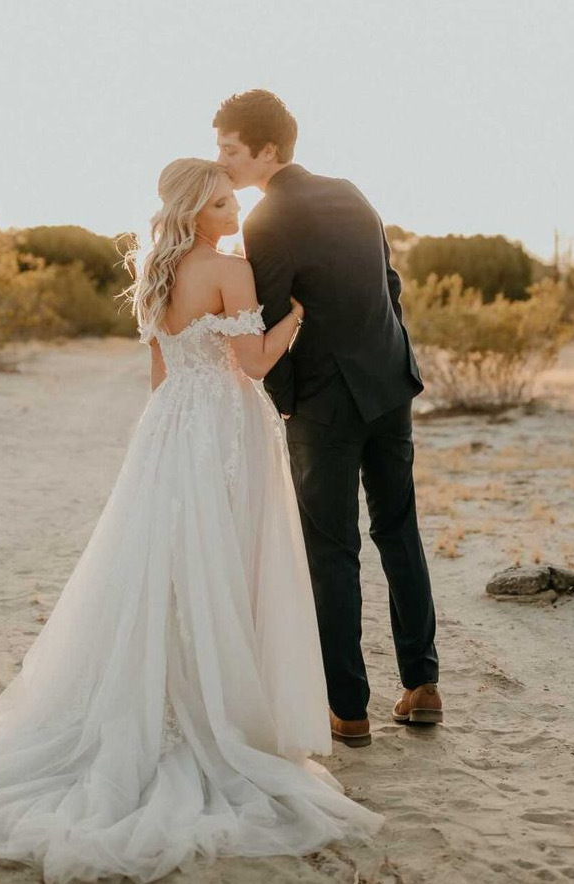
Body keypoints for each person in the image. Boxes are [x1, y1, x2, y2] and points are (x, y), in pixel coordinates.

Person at [0, 157, 383, 884]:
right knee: (219, 559)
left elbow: (161, 372)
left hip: (168, 428)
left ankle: (176, 694)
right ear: (198, 211)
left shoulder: (157, 276)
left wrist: (159, 435)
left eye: (234, 202)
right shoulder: (229, 269)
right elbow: (252, 365)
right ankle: (212, 710)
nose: (235, 214)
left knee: (164, 564)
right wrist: (293, 318)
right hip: (222, 428)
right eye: (224, 204)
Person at [214, 90, 442, 748]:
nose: (222, 162)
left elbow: (267, 314)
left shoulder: (265, 220)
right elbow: (389, 285)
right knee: (398, 530)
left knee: (331, 550)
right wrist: (389, 358)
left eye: (230, 150)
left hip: (324, 400)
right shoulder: (351, 192)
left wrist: (284, 396)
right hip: (388, 382)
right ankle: (422, 684)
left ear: (266, 151)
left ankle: (348, 710)